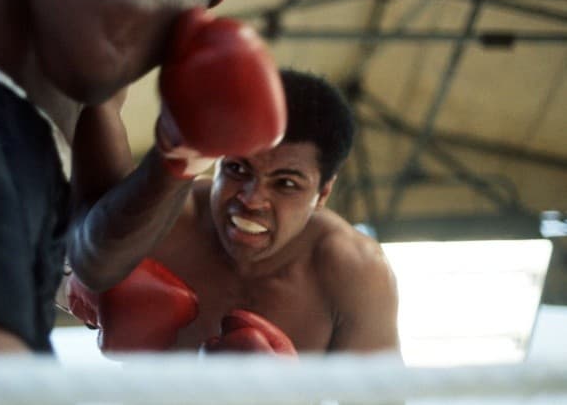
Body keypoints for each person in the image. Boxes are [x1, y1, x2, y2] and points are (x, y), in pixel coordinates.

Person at [0, 0, 288, 353]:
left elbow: (92, 256)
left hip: (25, 187)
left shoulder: (88, 86)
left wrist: (180, 157)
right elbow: (104, 38)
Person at [67, 69, 400, 356]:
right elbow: (41, 258)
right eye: (238, 168)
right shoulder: (158, 221)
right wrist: (72, 286)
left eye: (285, 183)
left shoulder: (354, 271)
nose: (252, 199)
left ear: (323, 193)